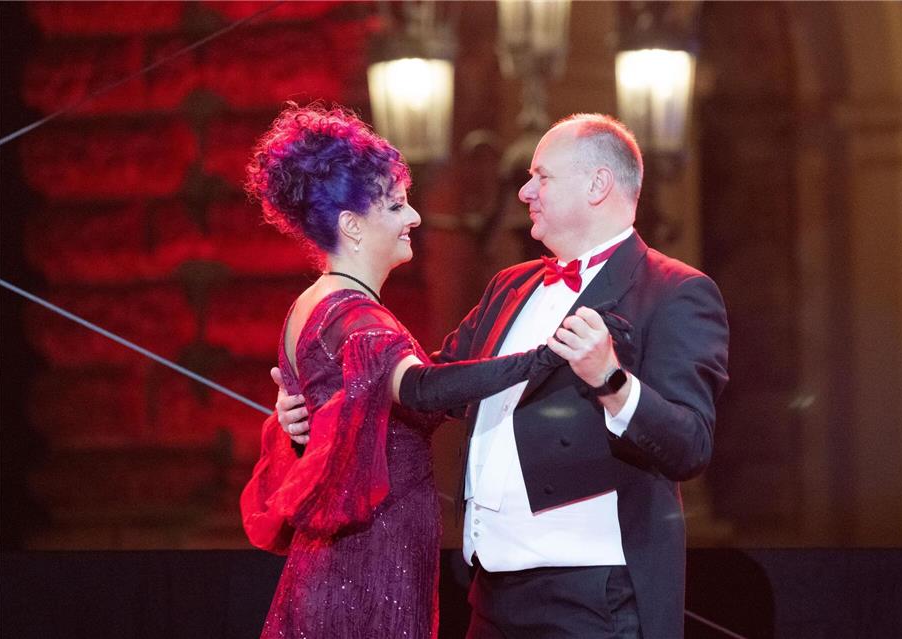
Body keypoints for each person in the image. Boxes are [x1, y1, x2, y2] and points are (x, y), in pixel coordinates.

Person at [275, 113, 729, 639]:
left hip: (594, 598)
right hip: (491, 594)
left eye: (541, 176)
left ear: (597, 184)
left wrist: (611, 380)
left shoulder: (675, 291)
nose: (523, 191)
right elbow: (430, 387)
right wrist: (317, 409)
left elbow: (690, 445)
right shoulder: (511, 286)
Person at [240, 104, 577, 639]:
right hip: (367, 566)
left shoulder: (315, 304)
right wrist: (545, 359)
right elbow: (420, 388)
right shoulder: (353, 314)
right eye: (396, 206)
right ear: (351, 226)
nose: (415, 217)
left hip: (354, 562)